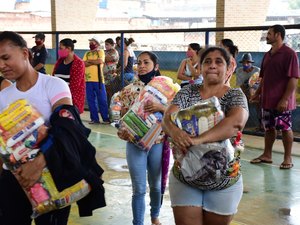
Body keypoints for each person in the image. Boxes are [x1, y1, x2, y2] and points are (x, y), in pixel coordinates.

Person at [0, 31, 106, 225]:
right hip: (13, 180)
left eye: (6, 57)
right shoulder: (3, 96)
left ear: (25, 53)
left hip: (52, 174)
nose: (1, 65)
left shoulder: (53, 85)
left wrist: (39, 162)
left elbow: (68, 123)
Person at [162, 46, 249, 225]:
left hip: (223, 180)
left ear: (228, 67)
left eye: (219, 62)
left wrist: (196, 140)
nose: (212, 65)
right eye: (207, 61)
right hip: (185, 176)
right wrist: (175, 131)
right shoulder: (187, 92)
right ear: (200, 67)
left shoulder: (234, 95)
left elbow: (235, 123)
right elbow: (167, 118)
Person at [117, 51, 164, 225]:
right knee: (139, 188)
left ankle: (155, 216)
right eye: (139, 62)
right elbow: (122, 120)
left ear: (156, 67)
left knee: (156, 185)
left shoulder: (166, 90)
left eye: (146, 63)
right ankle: (138, 222)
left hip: (158, 142)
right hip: (135, 144)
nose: (142, 66)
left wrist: (161, 106)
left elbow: (175, 116)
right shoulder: (128, 91)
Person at [250, 24, 300, 169]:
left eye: (269, 33)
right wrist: (257, 94)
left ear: (278, 35)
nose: (267, 36)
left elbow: (293, 79)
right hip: (267, 100)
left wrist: (284, 99)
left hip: (282, 101)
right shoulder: (267, 54)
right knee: (269, 128)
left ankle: (288, 158)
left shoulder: (289, 54)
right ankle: (267, 155)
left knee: (285, 128)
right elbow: (264, 77)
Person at [52, 38, 86, 114]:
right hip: (57, 98)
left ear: (69, 49)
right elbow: (54, 77)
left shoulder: (78, 63)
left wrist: (64, 98)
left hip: (71, 101)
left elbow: (74, 86)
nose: (59, 51)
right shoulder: (60, 61)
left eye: (61, 48)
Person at [83, 36, 110, 124]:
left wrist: (89, 62)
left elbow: (100, 61)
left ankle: (105, 118)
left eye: (93, 42)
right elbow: (83, 63)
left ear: (97, 44)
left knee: (102, 100)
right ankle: (94, 119)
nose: (91, 44)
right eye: (90, 42)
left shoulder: (101, 52)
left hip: (99, 80)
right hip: (88, 80)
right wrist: (93, 61)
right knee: (91, 100)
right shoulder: (87, 53)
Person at [103, 38, 119, 103]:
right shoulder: (105, 52)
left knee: (110, 91)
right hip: (104, 76)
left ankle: (111, 106)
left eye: (107, 44)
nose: (105, 46)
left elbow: (107, 58)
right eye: (105, 44)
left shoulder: (114, 52)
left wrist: (101, 58)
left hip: (110, 75)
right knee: (105, 91)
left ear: (112, 45)